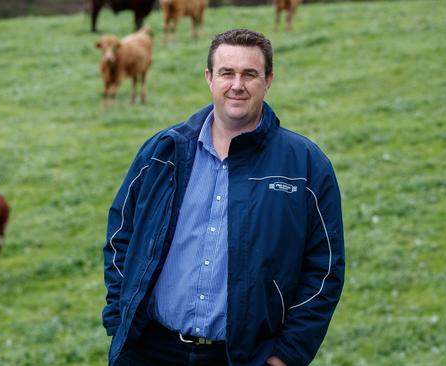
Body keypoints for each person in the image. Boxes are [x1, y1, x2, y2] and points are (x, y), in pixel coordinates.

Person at [102, 28, 345, 366]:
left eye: (250, 74)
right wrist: (120, 321)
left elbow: (325, 268)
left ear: (269, 79)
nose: (237, 84)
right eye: (226, 73)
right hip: (149, 349)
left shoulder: (304, 164)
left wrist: (286, 356)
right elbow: (120, 236)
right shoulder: (164, 151)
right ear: (209, 78)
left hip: (241, 355)